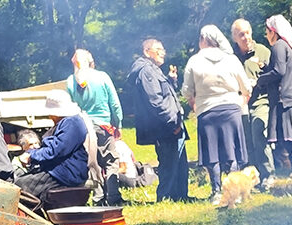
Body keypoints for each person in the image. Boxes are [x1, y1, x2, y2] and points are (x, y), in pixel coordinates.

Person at [182, 25, 252, 205]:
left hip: (207, 112)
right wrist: (241, 101)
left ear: (204, 40)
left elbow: (186, 91)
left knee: (211, 153)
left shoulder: (194, 61)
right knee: (232, 151)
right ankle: (233, 193)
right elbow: (246, 86)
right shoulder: (231, 60)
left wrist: (194, 103)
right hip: (231, 110)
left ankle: (216, 192)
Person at [127, 38, 190, 202]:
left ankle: (180, 195)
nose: (163, 52)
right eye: (158, 49)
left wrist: (171, 81)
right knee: (168, 162)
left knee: (179, 162)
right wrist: (172, 124)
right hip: (165, 127)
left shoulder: (154, 70)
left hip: (170, 125)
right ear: (147, 52)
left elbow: (163, 94)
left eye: (163, 49)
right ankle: (166, 196)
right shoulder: (147, 71)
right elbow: (155, 102)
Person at [15, 90, 97, 205]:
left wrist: (31, 155)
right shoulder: (69, 121)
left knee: (19, 187)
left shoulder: (72, 123)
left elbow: (55, 150)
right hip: (60, 171)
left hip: (64, 174)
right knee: (20, 180)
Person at [67, 49, 124, 206]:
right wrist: (118, 124)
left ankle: (98, 199)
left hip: (83, 127)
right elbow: (115, 104)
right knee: (111, 161)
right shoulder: (102, 77)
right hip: (103, 126)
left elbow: (70, 108)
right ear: (92, 62)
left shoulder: (70, 81)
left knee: (93, 163)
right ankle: (113, 197)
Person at [256, 15, 292, 179]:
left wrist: (260, 80)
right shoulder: (289, 47)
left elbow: (279, 71)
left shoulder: (278, 46)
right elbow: (280, 69)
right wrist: (265, 68)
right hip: (291, 97)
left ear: (273, 31)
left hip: (283, 99)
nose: (266, 35)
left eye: (267, 31)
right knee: (288, 137)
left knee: (288, 138)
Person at [231, 19, 274, 191]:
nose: (245, 37)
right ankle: (253, 178)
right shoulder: (230, 57)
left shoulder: (263, 51)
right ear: (234, 37)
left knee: (258, 132)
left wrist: (258, 81)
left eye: (247, 32)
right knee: (246, 141)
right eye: (241, 34)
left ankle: (268, 174)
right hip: (241, 104)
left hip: (261, 101)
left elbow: (275, 74)